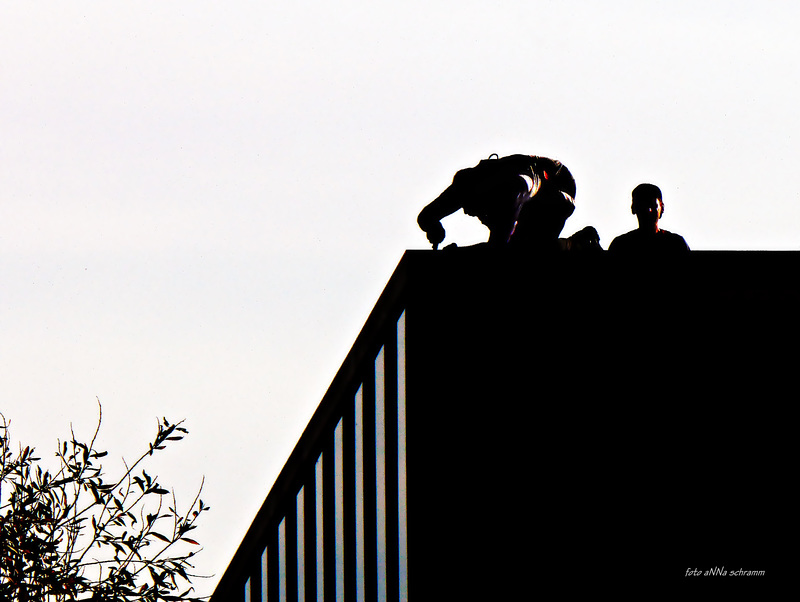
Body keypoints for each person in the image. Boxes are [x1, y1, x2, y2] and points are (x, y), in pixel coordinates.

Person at [417, 154, 601, 252]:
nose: (466, 212)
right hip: (527, 180)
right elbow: (425, 216)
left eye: (473, 209)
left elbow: (498, 250)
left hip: (558, 189)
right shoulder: (465, 185)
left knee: (525, 250)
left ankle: (575, 244)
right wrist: (433, 227)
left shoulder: (512, 194)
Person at [608, 184, 689, 254]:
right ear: (633, 208)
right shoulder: (620, 245)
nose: (648, 210)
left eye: (653, 205)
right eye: (642, 205)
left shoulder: (676, 244)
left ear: (662, 208)